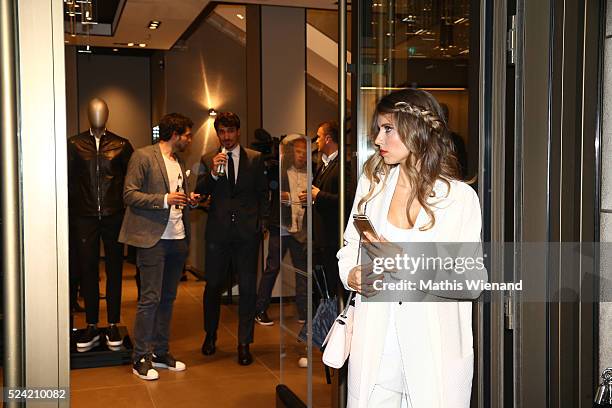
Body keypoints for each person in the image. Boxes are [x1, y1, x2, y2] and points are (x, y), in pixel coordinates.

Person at [337, 89, 486, 407]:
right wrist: (350, 272)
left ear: (416, 128)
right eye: (378, 129)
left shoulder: (458, 199)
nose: (378, 140)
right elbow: (350, 244)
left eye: (387, 129)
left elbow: (473, 282)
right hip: (375, 350)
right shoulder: (372, 185)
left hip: (432, 354)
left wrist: (408, 264)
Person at [119, 113, 198, 380]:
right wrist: (165, 199)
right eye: (187, 134)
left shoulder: (179, 161)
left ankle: (161, 352)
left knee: (168, 299)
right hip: (152, 239)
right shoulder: (143, 156)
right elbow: (129, 194)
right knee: (149, 299)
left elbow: (177, 198)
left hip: (177, 237)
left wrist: (189, 199)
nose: (190, 139)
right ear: (175, 134)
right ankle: (140, 356)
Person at [195, 112, 268, 366]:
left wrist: (262, 223)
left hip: (247, 235)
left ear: (238, 131)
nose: (226, 137)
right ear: (218, 134)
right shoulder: (207, 159)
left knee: (248, 289)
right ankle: (210, 335)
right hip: (218, 234)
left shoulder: (256, 159)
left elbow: (262, 193)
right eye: (221, 132)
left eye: (230, 131)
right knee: (213, 285)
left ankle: (244, 343)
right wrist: (213, 173)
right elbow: (200, 191)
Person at [67, 97, 133, 351]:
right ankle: (92, 325)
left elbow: (131, 180)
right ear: (88, 114)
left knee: (115, 269)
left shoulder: (121, 144)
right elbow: (69, 180)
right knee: (88, 270)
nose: (97, 115)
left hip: (114, 215)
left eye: (101, 111)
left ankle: (114, 322)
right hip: (84, 216)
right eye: (93, 111)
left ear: (106, 114)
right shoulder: (74, 144)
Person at [255, 135, 309, 326]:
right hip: (281, 227)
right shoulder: (279, 170)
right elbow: (267, 188)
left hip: (301, 229)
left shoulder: (310, 172)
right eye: (298, 151)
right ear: (289, 152)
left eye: (305, 152)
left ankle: (304, 312)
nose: (302, 156)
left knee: (302, 271)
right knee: (272, 268)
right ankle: (260, 309)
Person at [300, 121, 341, 299]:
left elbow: (345, 199)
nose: (316, 141)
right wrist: (310, 196)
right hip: (319, 236)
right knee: (321, 286)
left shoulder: (343, 164)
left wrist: (318, 195)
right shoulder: (322, 164)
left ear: (328, 139)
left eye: (318, 136)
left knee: (333, 284)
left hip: (332, 237)